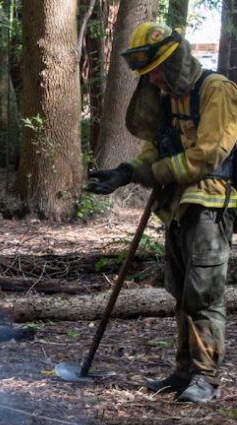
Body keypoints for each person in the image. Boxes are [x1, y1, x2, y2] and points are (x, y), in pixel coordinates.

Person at [86, 23, 237, 404]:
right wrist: (126, 173)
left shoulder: (217, 90)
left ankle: (206, 378)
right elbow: (157, 148)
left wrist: (155, 174)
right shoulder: (166, 97)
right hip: (177, 205)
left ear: (174, 62)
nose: (152, 78)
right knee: (181, 291)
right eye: (148, 73)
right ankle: (183, 372)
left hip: (210, 202)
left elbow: (208, 155)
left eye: (156, 70)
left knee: (203, 293)